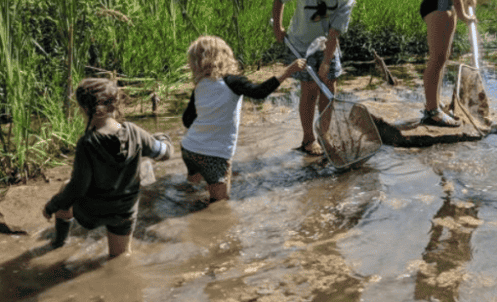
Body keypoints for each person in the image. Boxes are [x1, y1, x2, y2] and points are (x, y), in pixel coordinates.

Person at [42, 77, 174, 258]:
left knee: (65, 187)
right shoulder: (135, 132)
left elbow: (78, 187)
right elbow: (165, 154)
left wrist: (52, 205)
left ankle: (59, 242)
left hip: (92, 212)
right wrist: (164, 139)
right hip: (124, 211)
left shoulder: (88, 143)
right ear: (116, 103)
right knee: (120, 258)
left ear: (85, 109)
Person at [181, 35, 306, 201]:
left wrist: (208, 122)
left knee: (192, 192)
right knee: (220, 206)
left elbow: (187, 120)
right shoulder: (233, 81)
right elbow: (259, 92)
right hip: (215, 155)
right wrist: (287, 72)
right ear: (225, 56)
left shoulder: (200, 86)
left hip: (189, 150)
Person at [272, 0, 358, 154]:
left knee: (328, 91)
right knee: (309, 90)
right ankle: (308, 139)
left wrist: (327, 61)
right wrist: (278, 27)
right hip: (301, 47)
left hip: (327, 47)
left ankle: (325, 134)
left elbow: (333, 34)